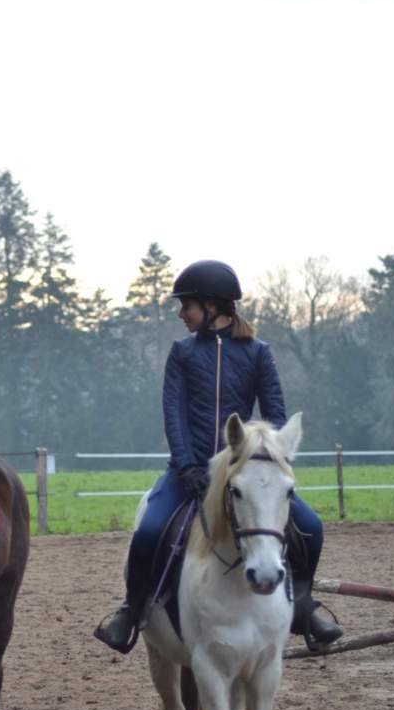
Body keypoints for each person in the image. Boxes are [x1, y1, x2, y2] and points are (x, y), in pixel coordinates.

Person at [94, 258, 343, 654]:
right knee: (149, 532)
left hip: (244, 472)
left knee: (310, 526)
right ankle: (132, 610)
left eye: (187, 306)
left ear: (212, 307)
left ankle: (304, 608)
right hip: (188, 472)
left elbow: (276, 415)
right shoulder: (182, 353)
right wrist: (188, 465)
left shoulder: (259, 353)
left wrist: (262, 457)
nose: (181, 314)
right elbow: (173, 415)